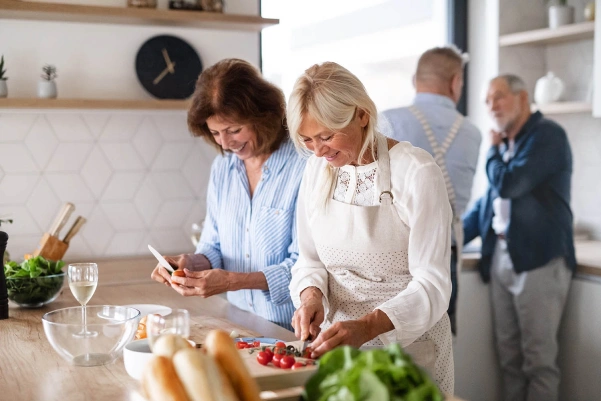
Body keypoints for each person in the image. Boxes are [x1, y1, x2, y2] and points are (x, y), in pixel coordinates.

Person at [287, 62, 454, 393]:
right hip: (338, 351)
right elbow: (308, 260)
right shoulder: (315, 171)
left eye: (326, 136)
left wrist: (367, 326)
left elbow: (433, 284)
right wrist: (310, 295)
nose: (318, 151)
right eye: (307, 139)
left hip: (410, 353)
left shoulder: (417, 172)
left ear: (362, 115)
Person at [151, 59, 306, 331]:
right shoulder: (223, 168)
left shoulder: (303, 166)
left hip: (294, 329)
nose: (224, 143)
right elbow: (214, 246)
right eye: (215, 133)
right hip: (239, 322)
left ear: (264, 116)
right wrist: (190, 264)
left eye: (234, 130)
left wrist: (232, 281)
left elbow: (303, 264)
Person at [463, 74, 575, 401]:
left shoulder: (547, 136)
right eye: (487, 100)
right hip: (502, 257)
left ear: (523, 98)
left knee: (538, 361)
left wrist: (492, 152)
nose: (491, 105)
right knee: (510, 359)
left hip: (539, 259)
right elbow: (488, 204)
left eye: (499, 97)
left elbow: (511, 184)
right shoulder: (507, 144)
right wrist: (450, 239)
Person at [380, 46, 482, 334]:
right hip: (443, 256)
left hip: (390, 256)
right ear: (455, 82)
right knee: (438, 348)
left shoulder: (387, 121)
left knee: (386, 349)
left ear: (415, 80)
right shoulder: (472, 133)